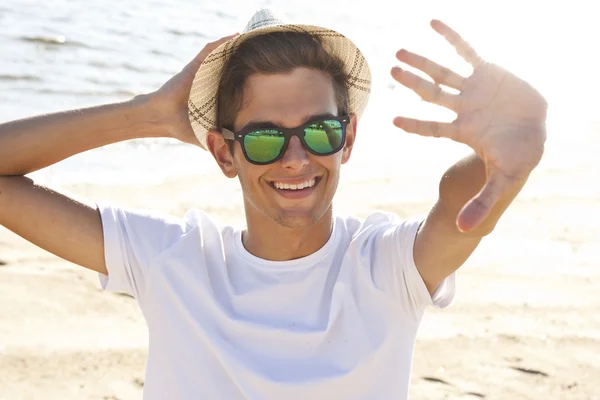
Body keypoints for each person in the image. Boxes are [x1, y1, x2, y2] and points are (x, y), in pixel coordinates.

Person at [0, 9, 547, 400]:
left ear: (348, 138)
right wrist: (149, 115)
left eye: (319, 132)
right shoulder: (173, 260)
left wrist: (502, 151)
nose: (295, 159)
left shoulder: (387, 267)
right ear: (224, 152)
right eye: (264, 138)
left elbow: (460, 203)